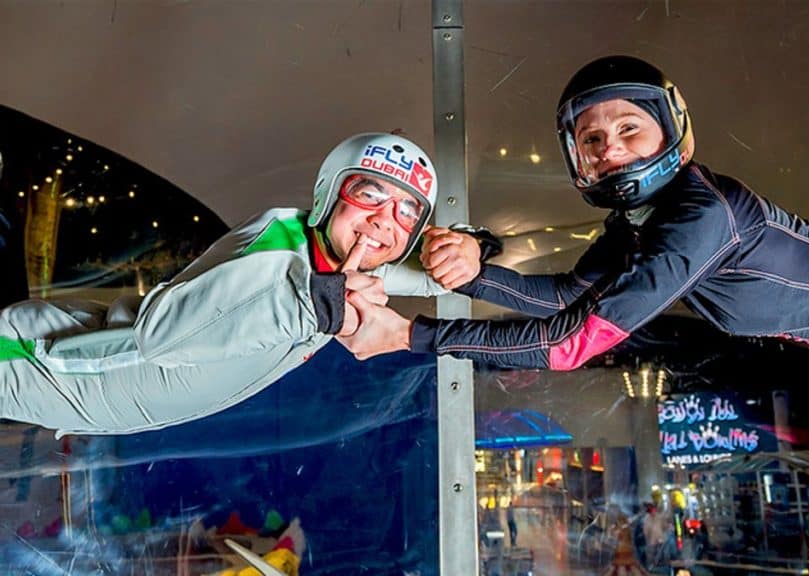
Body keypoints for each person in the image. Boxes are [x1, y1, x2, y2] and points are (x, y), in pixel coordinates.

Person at [340, 55, 809, 368]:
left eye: (630, 128)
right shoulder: (637, 228)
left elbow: (572, 342)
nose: (610, 149)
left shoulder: (700, 216)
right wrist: (464, 264)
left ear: (674, 133)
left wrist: (412, 337)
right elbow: (566, 296)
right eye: (592, 139)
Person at [0, 132, 489, 436]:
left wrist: (471, 249)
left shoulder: (343, 267)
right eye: (369, 194)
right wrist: (317, 309)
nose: (385, 220)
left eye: (406, 212)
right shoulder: (279, 250)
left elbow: (434, 276)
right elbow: (160, 337)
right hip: (33, 361)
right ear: (330, 193)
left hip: (74, 396)